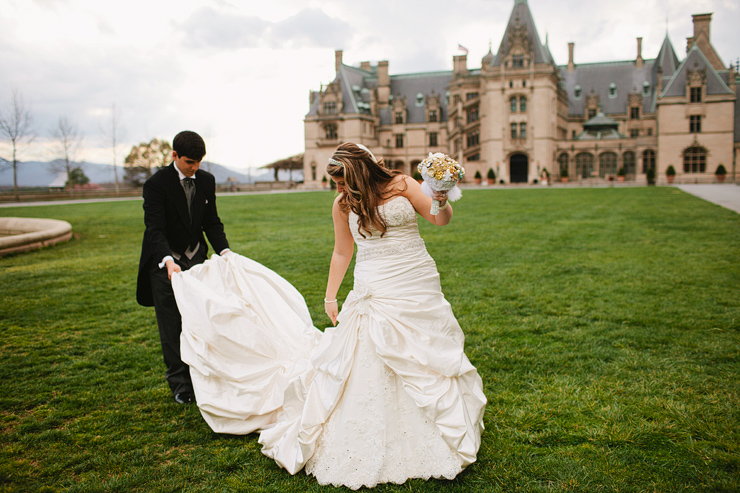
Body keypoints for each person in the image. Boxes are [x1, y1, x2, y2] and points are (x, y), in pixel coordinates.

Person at [171, 142, 486, 489]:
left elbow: (438, 220)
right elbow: (341, 251)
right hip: (375, 284)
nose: (337, 189)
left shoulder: (402, 184)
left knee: (425, 349)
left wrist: (441, 197)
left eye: (341, 181)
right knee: (368, 352)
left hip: (414, 277)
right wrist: (330, 295)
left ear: (359, 172)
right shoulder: (342, 204)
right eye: (335, 183)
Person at [136, 130, 230, 405]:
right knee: (172, 325)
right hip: (164, 262)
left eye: (199, 162)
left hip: (197, 259)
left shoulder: (206, 180)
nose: (195, 168)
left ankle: (205, 376)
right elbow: (154, 229)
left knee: (201, 320)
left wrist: (224, 251)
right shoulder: (156, 184)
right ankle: (181, 385)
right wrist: (167, 260)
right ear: (174, 155)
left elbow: (211, 222)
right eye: (190, 162)